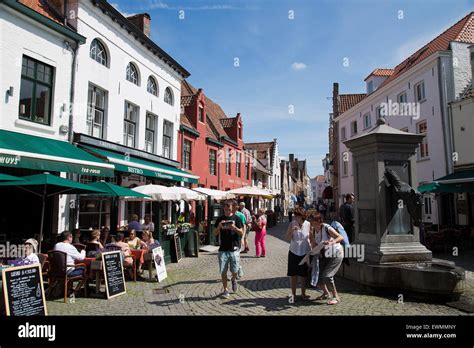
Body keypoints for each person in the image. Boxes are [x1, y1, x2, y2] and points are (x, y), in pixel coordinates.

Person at [307, 210, 344, 305]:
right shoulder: (314, 230)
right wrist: (313, 246)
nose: (310, 222)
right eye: (309, 220)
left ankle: (336, 297)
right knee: (318, 277)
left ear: (318, 220)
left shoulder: (326, 228)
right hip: (324, 255)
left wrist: (331, 242)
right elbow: (315, 243)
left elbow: (340, 237)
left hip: (336, 253)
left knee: (327, 275)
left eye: (311, 220)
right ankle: (326, 293)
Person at [214, 200, 244, 299]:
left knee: (234, 270)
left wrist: (234, 227)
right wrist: (219, 226)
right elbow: (214, 233)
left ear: (233, 209)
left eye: (229, 210)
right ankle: (225, 290)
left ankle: (234, 279)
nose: (227, 212)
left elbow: (241, 233)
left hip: (234, 248)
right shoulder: (220, 219)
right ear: (223, 209)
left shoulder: (237, 218)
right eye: (226, 210)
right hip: (223, 249)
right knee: (223, 271)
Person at [286, 207, 311, 301]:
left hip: (304, 252)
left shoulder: (308, 224)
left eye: (297, 216)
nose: (295, 217)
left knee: (303, 274)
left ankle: (303, 294)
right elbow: (287, 238)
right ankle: (293, 294)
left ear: (302, 216)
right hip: (293, 251)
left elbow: (311, 237)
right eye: (295, 215)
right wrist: (292, 231)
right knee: (293, 274)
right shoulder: (292, 224)